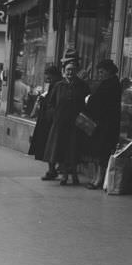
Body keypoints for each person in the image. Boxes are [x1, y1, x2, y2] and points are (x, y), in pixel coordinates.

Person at [44, 56, 91, 186]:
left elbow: (87, 102)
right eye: (68, 70)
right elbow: (51, 103)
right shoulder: (59, 85)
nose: (70, 72)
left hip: (75, 123)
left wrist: (82, 117)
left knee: (74, 150)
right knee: (62, 149)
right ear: (64, 71)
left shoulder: (82, 86)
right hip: (60, 123)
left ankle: (74, 174)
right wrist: (54, 115)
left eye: (73, 70)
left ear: (76, 71)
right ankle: (64, 175)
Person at [84, 59, 122, 189]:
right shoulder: (106, 83)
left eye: (102, 72)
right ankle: (96, 177)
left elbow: (100, 102)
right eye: (99, 72)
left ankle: (98, 179)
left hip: (106, 124)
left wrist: (90, 99)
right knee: (97, 152)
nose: (99, 74)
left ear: (109, 71)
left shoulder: (112, 85)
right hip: (100, 123)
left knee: (101, 153)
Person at [29, 64, 61, 178]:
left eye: (48, 74)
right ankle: (52, 169)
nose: (46, 77)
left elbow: (53, 102)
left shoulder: (57, 85)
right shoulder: (53, 85)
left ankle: (53, 169)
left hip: (50, 121)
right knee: (48, 146)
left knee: (50, 146)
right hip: (48, 119)